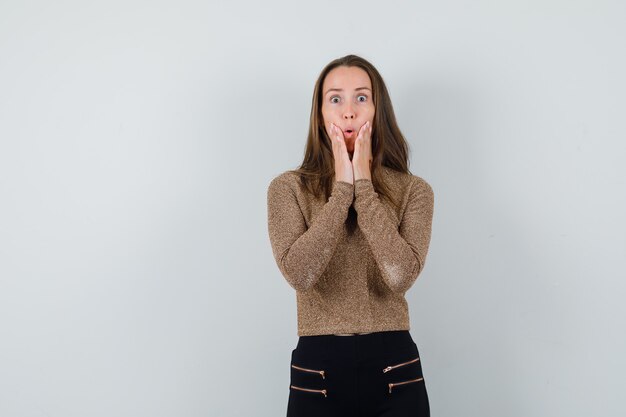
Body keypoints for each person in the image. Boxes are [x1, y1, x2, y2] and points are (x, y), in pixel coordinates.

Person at [267, 54, 434, 417]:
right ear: (320, 111)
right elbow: (301, 274)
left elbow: (400, 275)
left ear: (378, 109)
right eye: (335, 98)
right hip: (319, 370)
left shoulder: (413, 190)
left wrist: (364, 186)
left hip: (395, 367)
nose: (348, 111)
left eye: (361, 97)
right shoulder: (288, 189)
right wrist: (342, 191)